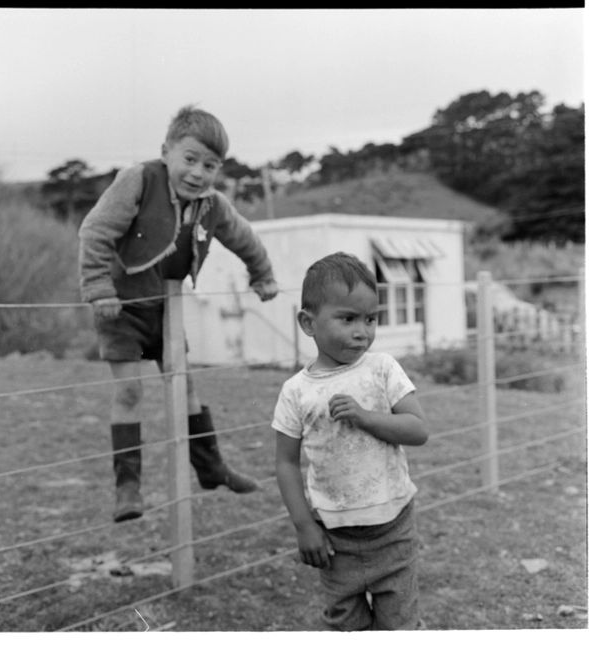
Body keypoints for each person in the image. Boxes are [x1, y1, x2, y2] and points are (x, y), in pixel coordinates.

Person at [79, 105, 278, 523]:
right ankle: (128, 486)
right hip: (120, 308)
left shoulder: (211, 204)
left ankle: (211, 468)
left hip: (166, 309)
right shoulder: (138, 179)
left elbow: (244, 238)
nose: (198, 173)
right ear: (166, 150)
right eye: (190, 160)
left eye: (210, 165)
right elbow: (95, 232)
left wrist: (262, 275)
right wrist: (99, 290)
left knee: (185, 389)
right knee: (129, 391)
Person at [273, 252, 428, 631]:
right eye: (348, 319)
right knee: (346, 626)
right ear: (308, 323)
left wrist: (366, 417)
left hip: (393, 528)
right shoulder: (296, 391)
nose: (362, 331)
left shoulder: (382, 369)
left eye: (371, 319)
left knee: (400, 626)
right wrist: (303, 526)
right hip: (334, 536)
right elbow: (285, 463)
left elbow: (418, 429)